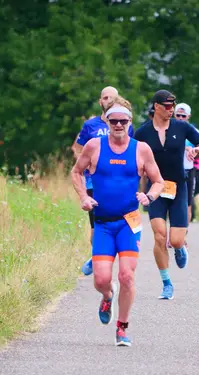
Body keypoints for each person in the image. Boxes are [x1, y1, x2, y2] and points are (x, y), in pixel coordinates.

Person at [70, 97, 164, 346]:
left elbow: (158, 181)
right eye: (114, 121)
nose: (119, 125)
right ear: (107, 122)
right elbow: (76, 172)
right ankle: (107, 296)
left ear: (130, 122)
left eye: (123, 121)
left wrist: (149, 196)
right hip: (102, 223)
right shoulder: (94, 146)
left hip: (128, 223)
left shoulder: (141, 149)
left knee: (126, 276)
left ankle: (122, 328)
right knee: (101, 280)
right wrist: (83, 197)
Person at [134, 90, 199, 300]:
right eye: (168, 106)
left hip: (179, 187)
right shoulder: (143, 132)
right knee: (159, 235)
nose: (172, 110)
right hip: (155, 189)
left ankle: (179, 248)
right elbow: (129, 155)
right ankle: (166, 283)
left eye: (173, 105)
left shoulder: (182, 127)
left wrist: (198, 150)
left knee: (177, 240)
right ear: (156, 106)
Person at [71, 86, 134, 276]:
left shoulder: (124, 123)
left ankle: (106, 260)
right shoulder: (90, 125)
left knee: (122, 224)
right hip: (94, 182)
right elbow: (77, 149)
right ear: (100, 101)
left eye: (112, 98)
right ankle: (99, 259)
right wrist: (87, 162)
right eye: (105, 98)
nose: (108, 101)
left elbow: (131, 151)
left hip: (120, 183)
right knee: (96, 226)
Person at [174, 102, 199, 223]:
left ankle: (184, 232)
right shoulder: (168, 130)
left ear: (188, 116)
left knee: (187, 204)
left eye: (183, 116)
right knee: (171, 203)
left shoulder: (194, 132)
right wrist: (185, 148)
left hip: (188, 170)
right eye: (178, 115)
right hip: (171, 170)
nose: (180, 118)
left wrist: (196, 150)